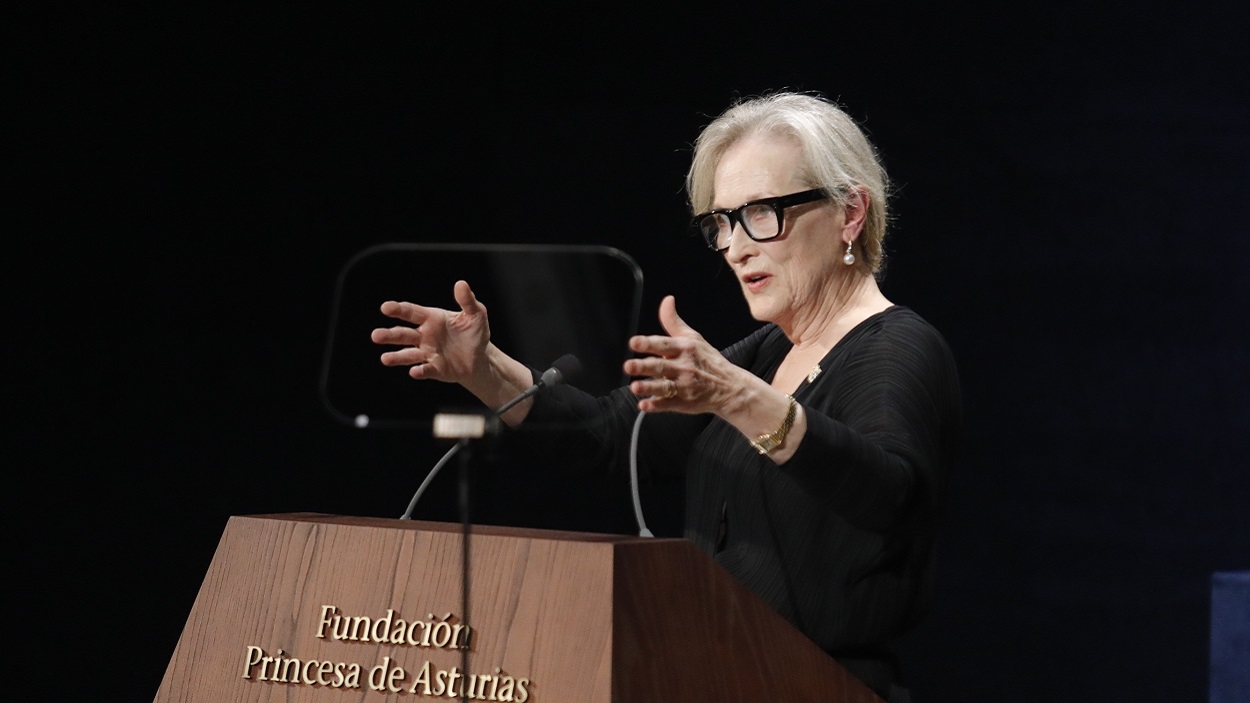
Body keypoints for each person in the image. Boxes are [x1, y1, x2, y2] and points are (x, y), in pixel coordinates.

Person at [371, 92, 961, 702]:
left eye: (762, 212)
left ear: (850, 213)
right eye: (723, 221)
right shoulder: (765, 354)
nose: (736, 246)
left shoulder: (898, 349)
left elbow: (889, 495)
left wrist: (736, 397)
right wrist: (485, 370)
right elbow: (607, 437)